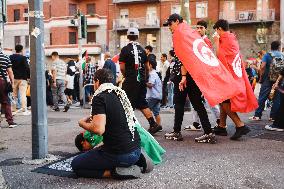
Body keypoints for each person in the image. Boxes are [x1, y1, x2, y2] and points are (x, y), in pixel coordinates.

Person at [71, 69, 151, 179]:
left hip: (119, 154)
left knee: (76, 165)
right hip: (136, 148)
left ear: (97, 81)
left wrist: (81, 123)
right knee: (104, 150)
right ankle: (137, 160)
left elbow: (99, 129)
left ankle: (116, 171)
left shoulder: (99, 97)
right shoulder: (120, 94)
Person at [163, 15, 216, 143]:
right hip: (191, 75)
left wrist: (183, 76)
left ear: (176, 22)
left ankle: (177, 132)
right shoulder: (187, 33)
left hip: (185, 75)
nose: (169, 27)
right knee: (197, 104)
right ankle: (208, 132)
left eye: (170, 24)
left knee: (180, 104)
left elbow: (184, 57)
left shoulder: (181, 34)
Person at [212, 19, 254, 140]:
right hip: (232, 75)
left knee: (225, 103)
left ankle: (240, 125)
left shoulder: (225, 39)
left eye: (216, 30)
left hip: (229, 77)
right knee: (223, 102)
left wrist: (216, 42)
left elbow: (220, 56)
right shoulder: (231, 37)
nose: (216, 33)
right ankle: (221, 126)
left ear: (219, 29)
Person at [119, 27, 162, 134]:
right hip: (141, 80)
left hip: (130, 80)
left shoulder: (125, 49)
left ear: (128, 36)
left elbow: (122, 67)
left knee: (127, 104)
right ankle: (153, 124)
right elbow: (147, 67)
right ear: (137, 36)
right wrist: (144, 78)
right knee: (142, 103)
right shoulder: (143, 50)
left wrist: (126, 76)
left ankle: (129, 127)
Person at [185, 20, 220, 131]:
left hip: (205, 76)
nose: (198, 30)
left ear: (205, 29)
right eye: (197, 28)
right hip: (198, 76)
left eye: (201, 28)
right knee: (196, 99)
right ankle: (196, 123)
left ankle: (220, 122)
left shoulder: (206, 41)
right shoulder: (197, 40)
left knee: (210, 100)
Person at [249, 41, 283, 121]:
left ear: (271, 47)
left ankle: (257, 115)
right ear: (279, 47)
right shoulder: (282, 55)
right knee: (277, 98)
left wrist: (261, 77)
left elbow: (263, 66)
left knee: (262, 97)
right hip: (279, 79)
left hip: (268, 78)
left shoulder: (267, 55)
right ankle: (273, 117)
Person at [9, 44, 30, 115]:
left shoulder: (10, 57)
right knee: (23, 94)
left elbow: (9, 67)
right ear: (21, 50)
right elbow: (27, 68)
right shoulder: (23, 58)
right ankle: (24, 108)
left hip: (13, 78)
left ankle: (13, 109)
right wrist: (28, 77)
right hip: (22, 78)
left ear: (15, 49)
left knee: (13, 95)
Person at [0, 47, 17, 128]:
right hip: (2, 82)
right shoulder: (6, 57)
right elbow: (10, 71)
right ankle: (10, 122)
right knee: (6, 102)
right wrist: (12, 83)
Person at [146, 57, 162, 126]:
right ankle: (158, 125)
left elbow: (151, 85)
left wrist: (143, 83)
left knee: (146, 110)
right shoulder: (155, 73)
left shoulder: (152, 74)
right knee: (156, 112)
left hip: (153, 96)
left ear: (150, 65)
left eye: (147, 64)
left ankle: (153, 125)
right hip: (158, 96)